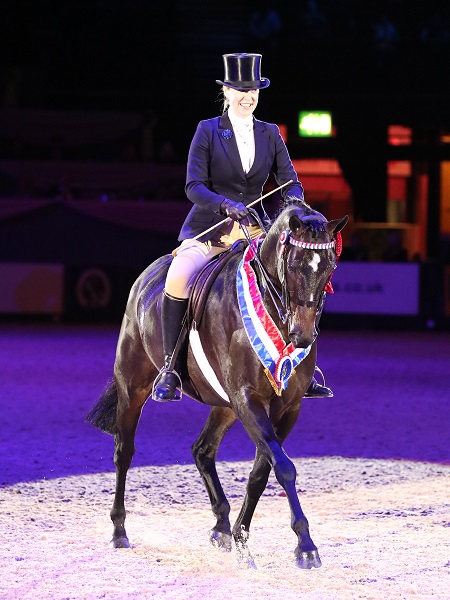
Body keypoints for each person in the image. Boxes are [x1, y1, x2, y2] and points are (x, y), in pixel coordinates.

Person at [153, 52, 333, 402]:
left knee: (297, 275)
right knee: (177, 277)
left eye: (253, 90)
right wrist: (224, 204)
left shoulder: (270, 134)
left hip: (255, 230)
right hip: (211, 229)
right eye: (240, 90)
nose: (247, 96)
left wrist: (295, 202)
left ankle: (303, 369)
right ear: (226, 91)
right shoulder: (207, 130)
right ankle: (170, 368)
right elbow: (193, 185)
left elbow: (289, 180)